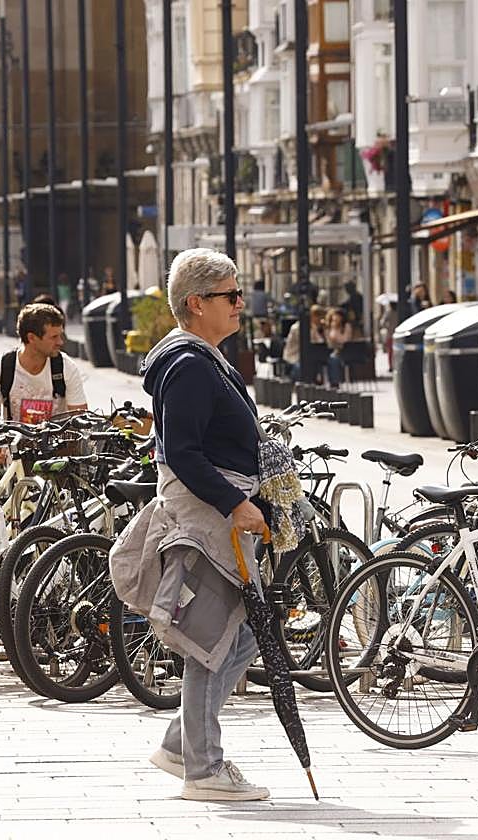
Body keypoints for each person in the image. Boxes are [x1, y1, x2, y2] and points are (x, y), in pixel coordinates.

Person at [136, 247, 271, 800]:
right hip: (209, 519)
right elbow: (183, 452)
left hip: (220, 514)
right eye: (230, 295)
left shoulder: (204, 358)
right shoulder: (189, 365)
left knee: (244, 635)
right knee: (212, 640)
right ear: (196, 303)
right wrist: (233, 503)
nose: (240, 303)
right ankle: (204, 769)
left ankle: (180, 743)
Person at [0, 303, 87, 424]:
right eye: (54, 337)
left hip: (58, 435)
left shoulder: (66, 368)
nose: (60, 342)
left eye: (60, 335)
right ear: (31, 338)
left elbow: (80, 419)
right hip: (13, 435)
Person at [323, 307, 354, 387]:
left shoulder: (346, 326)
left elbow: (344, 340)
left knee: (334, 360)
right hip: (329, 350)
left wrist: (335, 330)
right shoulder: (328, 327)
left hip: (343, 351)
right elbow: (328, 341)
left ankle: (334, 383)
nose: (336, 318)